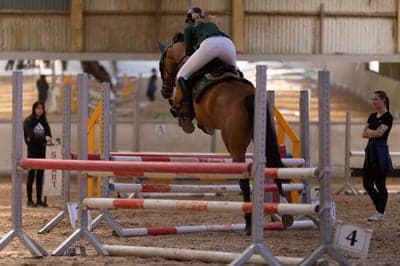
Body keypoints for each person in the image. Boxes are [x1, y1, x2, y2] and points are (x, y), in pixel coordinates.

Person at [170, 7, 237, 133]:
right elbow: (224, 37)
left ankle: (187, 114)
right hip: (228, 45)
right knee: (236, 73)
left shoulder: (189, 29)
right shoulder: (211, 25)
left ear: (190, 20)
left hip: (209, 46)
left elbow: (189, 51)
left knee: (181, 76)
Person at [362, 90, 393, 221]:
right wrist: (372, 132)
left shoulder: (388, 117)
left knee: (380, 184)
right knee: (367, 184)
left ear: (383, 100)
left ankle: (380, 212)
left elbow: (380, 133)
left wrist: (371, 132)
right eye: (373, 99)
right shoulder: (372, 116)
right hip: (370, 151)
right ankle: (379, 208)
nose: (373, 102)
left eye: (376, 99)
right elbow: (364, 133)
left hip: (380, 151)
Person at [23, 101, 52, 207]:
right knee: (31, 176)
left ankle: (39, 200)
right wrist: (43, 138)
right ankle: (29, 200)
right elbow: (30, 137)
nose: (40, 110)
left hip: (42, 152)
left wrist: (39, 139)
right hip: (32, 152)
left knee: (40, 176)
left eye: (41, 108)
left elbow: (49, 135)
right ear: (34, 109)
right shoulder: (28, 121)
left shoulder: (44, 122)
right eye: (37, 108)